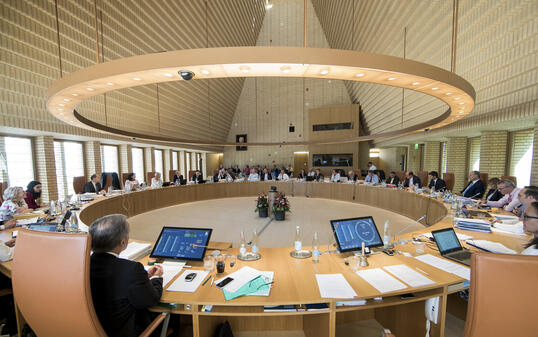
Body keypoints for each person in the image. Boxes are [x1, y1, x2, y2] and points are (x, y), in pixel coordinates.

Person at [89, 214, 164, 336]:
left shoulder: (81, 267)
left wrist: (143, 278)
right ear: (123, 242)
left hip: (89, 330)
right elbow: (151, 300)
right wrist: (157, 278)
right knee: (169, 315)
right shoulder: (132, 269)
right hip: (123, 331)